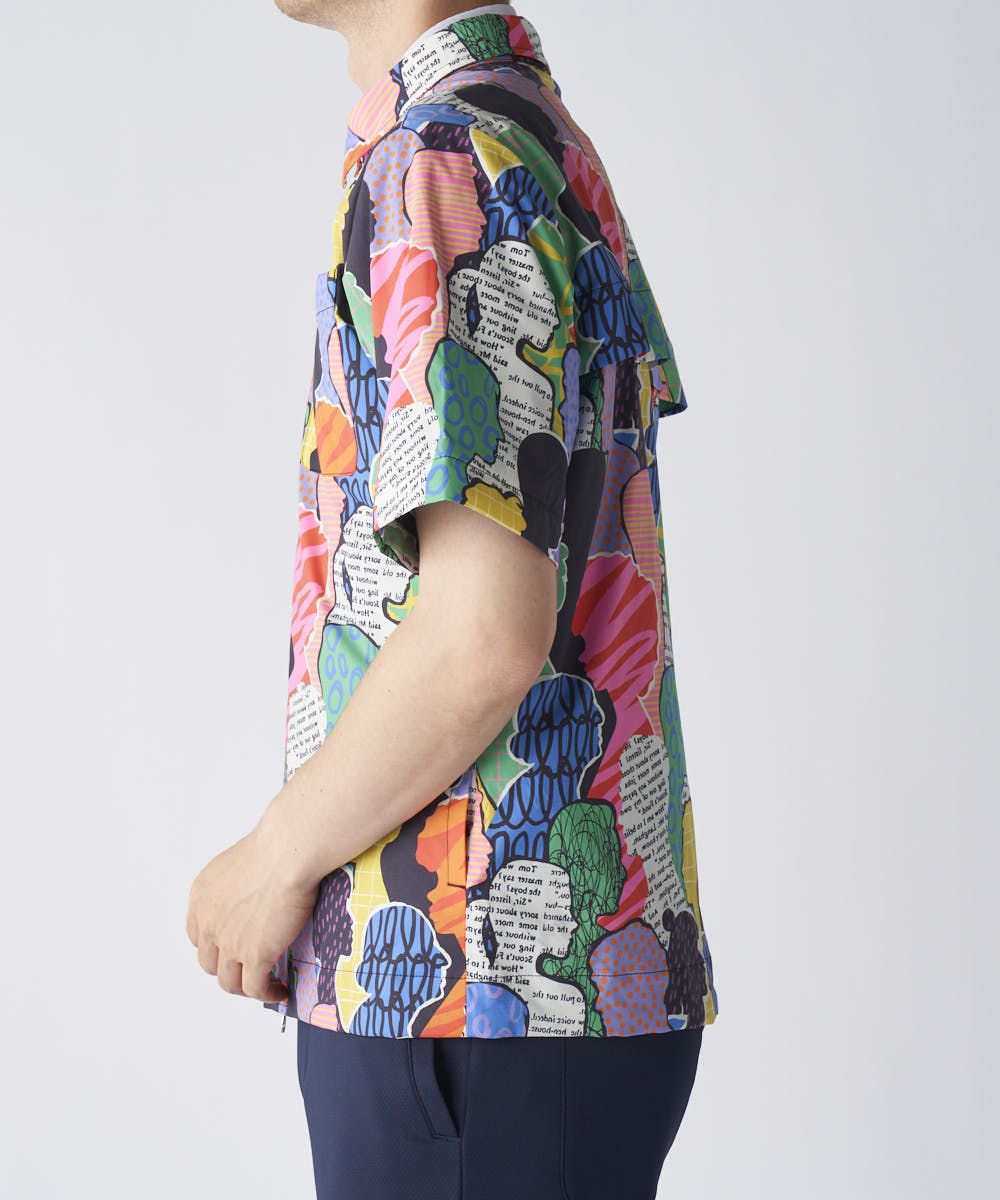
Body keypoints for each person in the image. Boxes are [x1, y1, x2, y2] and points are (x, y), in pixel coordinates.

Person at [185, 3, 720, 1196]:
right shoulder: (512, 130)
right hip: (506, 999)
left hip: (471, 989)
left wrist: (271, 860)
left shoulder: (443, 157)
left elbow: (483, 634)